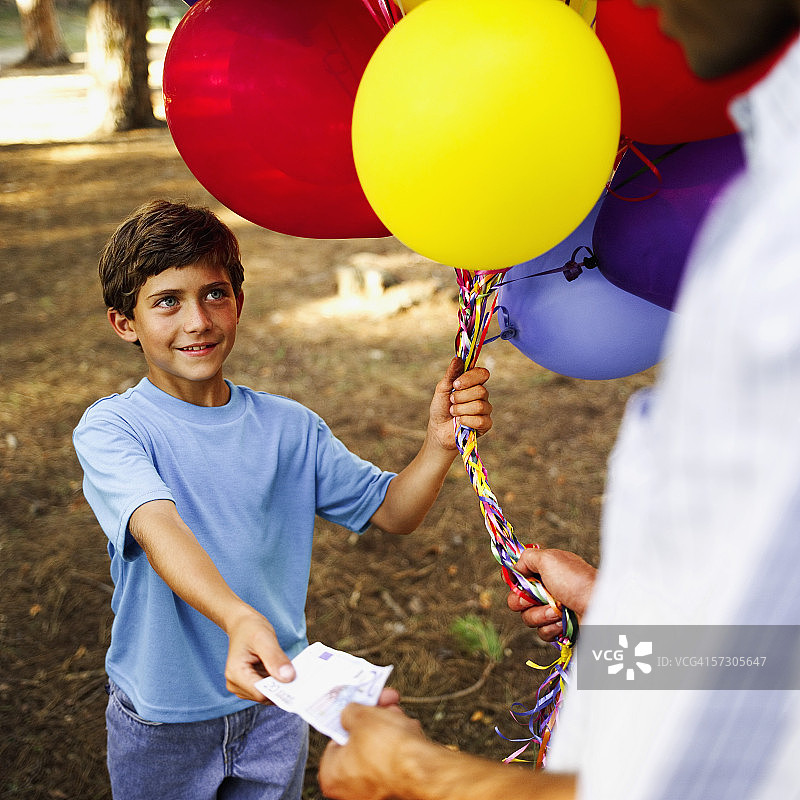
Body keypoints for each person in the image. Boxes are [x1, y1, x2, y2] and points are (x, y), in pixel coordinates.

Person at [317, 1, 800, 798]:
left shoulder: (782, 258)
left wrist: (412, 773)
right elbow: (762, 664)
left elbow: (698, 780)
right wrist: (612, 618)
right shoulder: (766, 187)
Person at [72, 199, 493, 800]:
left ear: (238, 302)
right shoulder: (114, 429)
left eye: (215, 294)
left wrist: (438, 445)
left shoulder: (290, 428)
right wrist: (237, 616)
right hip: (163, 718)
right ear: (125, 323)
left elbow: (394, 511)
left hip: (278, 703)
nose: (197, 321)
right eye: (167, 301)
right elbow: (154, 524)